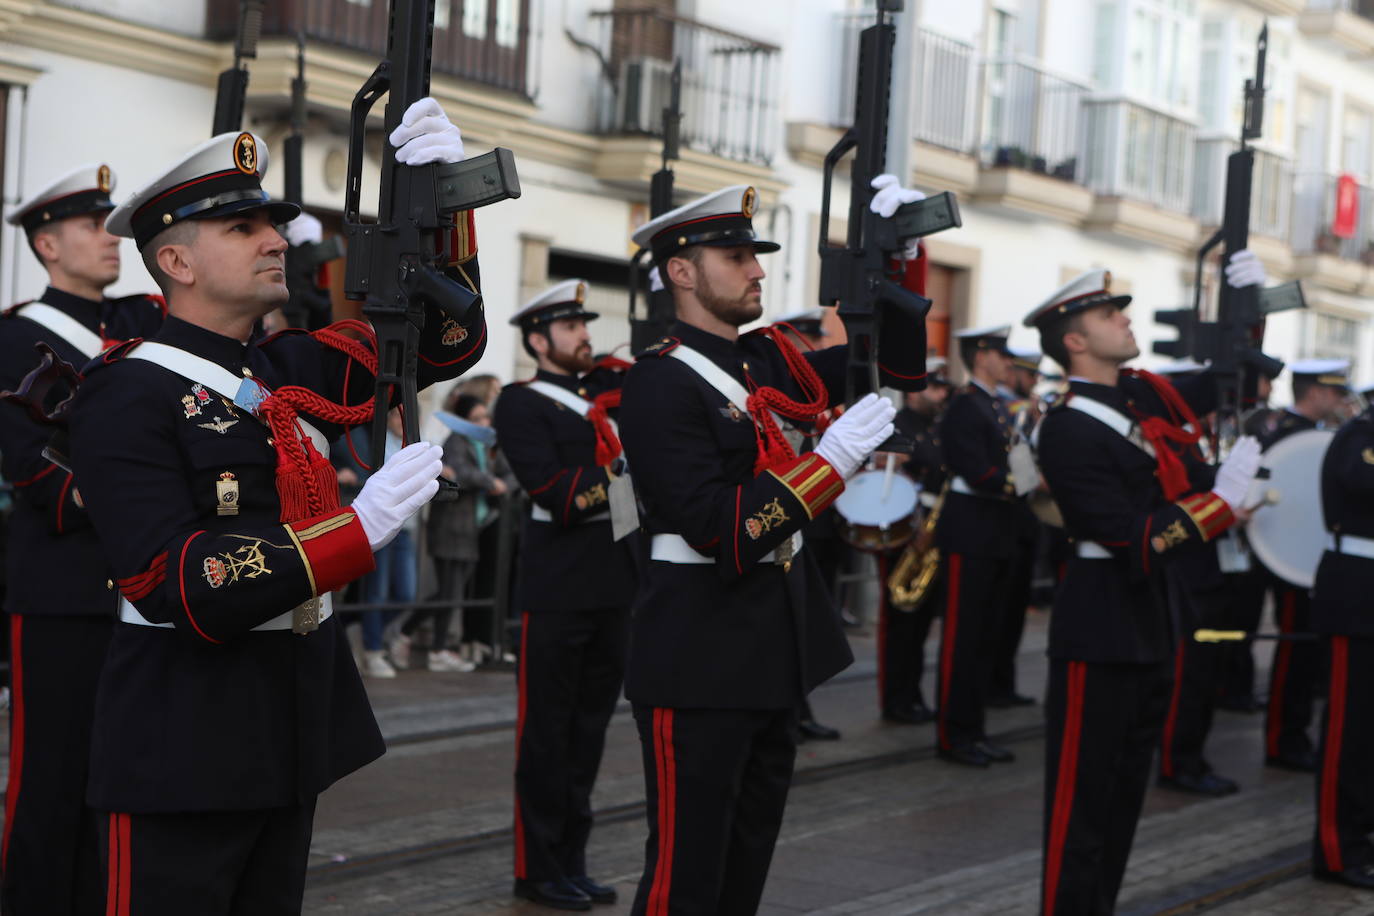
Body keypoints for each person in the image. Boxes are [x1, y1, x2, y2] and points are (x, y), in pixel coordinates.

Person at [65, 104, 484, 914]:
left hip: (288, 723)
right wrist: (353, 532)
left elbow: (440, 342)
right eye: (244, 227)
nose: (276, 240)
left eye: (273, 224)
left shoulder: (288, 365)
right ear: (177, 260)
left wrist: (446, 210)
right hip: (181, 741)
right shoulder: (123, 395)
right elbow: (172, 581)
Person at [618, 179, 928, 914]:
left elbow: (894, 369)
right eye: (736, 255)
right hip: (698, 650)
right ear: (682, 271)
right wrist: (828, 465)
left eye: (755, 256)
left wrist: (899, 261)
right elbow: (720, 529)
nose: (758, 270)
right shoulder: (658, 384)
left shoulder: (763, 362)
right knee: (684, 877)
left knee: (743, 868)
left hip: (771, 645)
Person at [1026, 263, 1263, 915]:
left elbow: (1229, 378)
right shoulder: (1068, 426)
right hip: (1097, 626)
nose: (1126, 320)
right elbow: (1137, 537)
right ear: (1074, 340)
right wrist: (1222, 505)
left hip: (1149, 619)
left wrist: (1249, 306)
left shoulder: (1138, 397)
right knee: (1081, 807)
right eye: (1109, 315)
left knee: (1123, 801)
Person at [0, 163, 166, 915]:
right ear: (46, 244)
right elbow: (40, 478)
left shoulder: (140, 327)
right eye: (92, 226)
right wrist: (150, 483)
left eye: (113, 223)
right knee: (50, 780)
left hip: (143, 587)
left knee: (124, 780)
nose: (111, 239)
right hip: (63, 590)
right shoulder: (17, 339)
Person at [492, 279, 639, 910]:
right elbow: (554, 490)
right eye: (571, 326)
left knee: (589, 735)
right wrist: (625, 470)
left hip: (614, 586)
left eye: (585, 324)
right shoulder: (522, 404)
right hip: (557, 592)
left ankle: (573, 860)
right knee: (547, 738)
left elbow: (627, 506)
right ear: (538, 339)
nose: (585, 335)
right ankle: (538, 868)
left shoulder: (602, 399)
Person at [933, 325, 1023, 767]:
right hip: (971, 531)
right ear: (981, 356)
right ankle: (954, 735)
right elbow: (977, 469)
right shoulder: (966, 405)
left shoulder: (993, 406)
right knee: (962, 640)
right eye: (1001, 354)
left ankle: (974, 728)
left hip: (994, 531)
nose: (1008, 362)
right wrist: (1021, 485)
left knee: (985, 638)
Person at [1257, 360, 1350, 773]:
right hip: (1294, 566)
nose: (1341, 401)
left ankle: (1292, 735)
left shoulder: (1315, 436)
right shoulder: (1288, 436)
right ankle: (1283, 739)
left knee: (1307, 655)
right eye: (1335, 392)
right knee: (1294, 651)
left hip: (1312, 561)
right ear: (1316, 393)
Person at [1310, 396, 1374, 889]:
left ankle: (1362, 834)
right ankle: (1336, 850)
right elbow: (1362, 481)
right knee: (1347, 733)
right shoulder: (1360, 435)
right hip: (1358, 592)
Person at [773, 307, 843, 741]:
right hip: (792, 515)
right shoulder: (780, 392)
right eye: (805, 342)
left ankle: (802, 704)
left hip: (822, 517)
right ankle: (790, 709)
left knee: (813, 617)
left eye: (816, 341)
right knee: (787, 620)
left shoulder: (818, 398)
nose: (813, 350)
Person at [878, 356, 953, 724]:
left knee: (921, 622)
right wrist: (914, 527)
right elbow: (892, 481)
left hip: (935, 528)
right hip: (907, 529)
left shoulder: (936, 426)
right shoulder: (897, 426)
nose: (941, 394)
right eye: (935, 387)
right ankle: (896, 699)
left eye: (943, 388)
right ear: (914, 390)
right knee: (901, 623)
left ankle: (913, 694)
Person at [335, 408, 431, 676]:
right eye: (397, 416)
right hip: (380, 522)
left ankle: (360, 629)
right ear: (387, 419)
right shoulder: (376, 440)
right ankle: (373, 649)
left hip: (406, 526)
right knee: (376, 590)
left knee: (405, 593)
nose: (402, 421)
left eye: (406, 416)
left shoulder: (412, 442)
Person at [423, 392, 516, 665]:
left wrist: (502, 485)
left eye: (485, 416)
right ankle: (435, 648)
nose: (484, 421)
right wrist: (489, 481)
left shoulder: (484, 445)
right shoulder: (457, 441)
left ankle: (421, 640)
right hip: (451, 525)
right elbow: (461, 473)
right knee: (448, 591)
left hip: (470, 528)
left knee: (453, 591)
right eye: (476, 418)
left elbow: (509, 473)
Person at [988, 345, 1044, 709]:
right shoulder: (1008, 411)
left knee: (1012, 614)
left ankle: (1002, 683)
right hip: (1003, 520)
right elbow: (1019, 469)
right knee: (998, 614)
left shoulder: (1022, 412)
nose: (1034, 382)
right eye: (1030, 375)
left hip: (1023, 523)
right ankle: (993, 684)